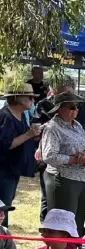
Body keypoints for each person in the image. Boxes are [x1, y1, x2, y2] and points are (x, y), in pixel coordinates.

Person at [39, 91, 85, 234]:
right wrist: (74, 159)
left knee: (77, 223)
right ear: (60, 108)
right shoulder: (52, 128)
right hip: (63, 179)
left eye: (77, 107)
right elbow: (48, 156)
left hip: (83, 178)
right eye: (72, 107)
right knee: (63, 224)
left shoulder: (76, 125)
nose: (76, 110)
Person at [0, 77, 41, 212]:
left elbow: (21, 139)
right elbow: (6, 144)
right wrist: (29, 134)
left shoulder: (22, 115)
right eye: (30, 97)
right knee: (3, 207)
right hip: (4, 170)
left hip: (12, 169)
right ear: (18, 98)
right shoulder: (6, 116)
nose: (33, 100)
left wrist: (34, 136)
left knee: (7, 203)